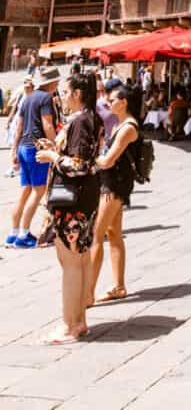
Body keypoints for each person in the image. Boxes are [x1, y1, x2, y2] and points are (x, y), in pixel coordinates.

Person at [35, 71, 101, 343]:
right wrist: (56, 148)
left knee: (71, 261)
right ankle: (79, 320)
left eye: (62, 93)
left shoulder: (81, 121)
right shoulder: (88, 119)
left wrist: (53, 155)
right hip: (84, 198)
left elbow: (79, 165)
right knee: (80, 258)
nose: (59, 99)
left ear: (76, 94)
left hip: (73, 201)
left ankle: (70, 324)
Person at [87, 83, 141, 305]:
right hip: (113, 182)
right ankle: (119, 286)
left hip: (114, 186)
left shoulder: (128, 127)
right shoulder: (120, 124)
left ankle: (87, 293)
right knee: (114, 234)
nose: (109, 103)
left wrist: (90, 159)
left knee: (96, 236)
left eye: (113, 100)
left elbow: (108, 160)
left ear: (124, 102)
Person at [6, 66, 59, 249]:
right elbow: (48, 124)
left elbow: (19, 125)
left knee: (25, 190)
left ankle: (13, 233)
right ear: (51, 83)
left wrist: (14, 149)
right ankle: (23, 234)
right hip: (36, 148)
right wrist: (56, 146)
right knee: (38, 191)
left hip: (23, 146)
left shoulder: (28, 98)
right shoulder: (45, 98)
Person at [96, 77, 119, 143]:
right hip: (106, 144)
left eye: (102, 90)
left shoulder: (121, 104)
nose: (100, 94)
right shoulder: (97, 106)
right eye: (98, 91)